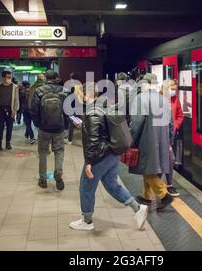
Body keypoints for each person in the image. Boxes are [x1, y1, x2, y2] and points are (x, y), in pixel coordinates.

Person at [69, 82, 148, 231]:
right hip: (113, 154)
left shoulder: (92, 112)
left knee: (86, 187)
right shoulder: (105, 105)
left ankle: (87, 221)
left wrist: (89, 163)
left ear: (86, 95)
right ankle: (137, 208)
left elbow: (93, 141)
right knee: (112, 185)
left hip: (100, 156)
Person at [130, 73, 174, 212]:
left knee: (146, 167)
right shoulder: (163, 99)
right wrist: (169, 140)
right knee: (150, 167)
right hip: (162, 139)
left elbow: (136, 123)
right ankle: (147, 195)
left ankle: (164, 195)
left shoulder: (140, 98)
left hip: (147, 139)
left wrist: (131, 140)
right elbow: (171, 123)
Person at [30, 70, 67, 190]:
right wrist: (65, 125)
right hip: (59, 128)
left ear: (46, 78)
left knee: (42, 152)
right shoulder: (63, 91)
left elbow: (33, 110)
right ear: (56, 78)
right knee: (59, 151)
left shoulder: (39, 91)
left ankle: (43, 179)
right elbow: (68, 110)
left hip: (44, 128)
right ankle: (58, 175)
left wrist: (38, 124)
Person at [160, 79, 184, 197]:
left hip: (170, 135)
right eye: (172, 89)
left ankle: (166, 185)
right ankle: (159, 185)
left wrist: (176, 125)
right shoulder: (157, 100)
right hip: (158, 135)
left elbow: (180, 115)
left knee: (169, 159)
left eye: (175, 89)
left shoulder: (175, 100)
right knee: (167, 159)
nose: (174, 91)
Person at [0, 71, 20, 151]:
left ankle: (8, 143)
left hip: (10, 109)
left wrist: (15, 110)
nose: (9, 79)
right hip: (0, 109)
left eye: (10, 77)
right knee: (0, 127)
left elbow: (16, 99)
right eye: (7, 77)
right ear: (3, 77)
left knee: (9, 127)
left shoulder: (14, 87)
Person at [65, 72, 82, 145]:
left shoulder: (71, 85)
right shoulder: (80, 85)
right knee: (77, 122)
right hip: (78, 106)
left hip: (72, 107)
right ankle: (84, 138)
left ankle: (70, 140)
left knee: (71, 124)